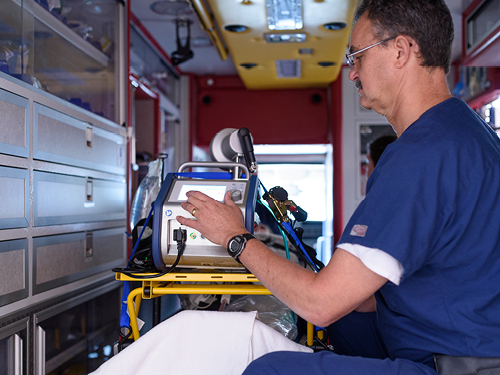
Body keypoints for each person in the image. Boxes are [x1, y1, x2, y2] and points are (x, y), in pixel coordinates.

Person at [177, 0, 500, 374]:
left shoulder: (423, 153)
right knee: (342, 320)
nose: (352, 72)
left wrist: (236, 238)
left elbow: (319, 303)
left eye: (358, 56)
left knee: (270, 369)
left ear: (400, 51)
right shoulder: (463, 130)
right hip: (455, 335)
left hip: (455, 362)